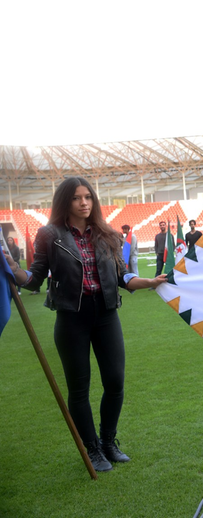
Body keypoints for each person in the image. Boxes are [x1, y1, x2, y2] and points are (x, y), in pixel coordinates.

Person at [4, 177, 167, 473]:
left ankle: (108, 442)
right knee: (79, 389)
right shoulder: (50, 234)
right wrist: (12, 267)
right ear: (65, 201)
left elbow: (122, 275)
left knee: (115, 382)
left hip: (106, 315)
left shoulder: (107, 233)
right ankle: (92, 448)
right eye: (77, 198)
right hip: (71, 319)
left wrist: (149, 282)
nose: (84, 203)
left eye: (88, 197)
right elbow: (35, 279)